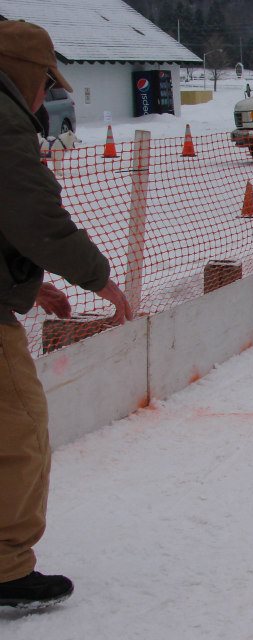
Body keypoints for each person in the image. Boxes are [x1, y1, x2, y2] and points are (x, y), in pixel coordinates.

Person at [0, 20, 133, 609]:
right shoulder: (3, 119)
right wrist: (98, 279)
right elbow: (32, 213)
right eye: (45, 84)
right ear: (28, 72)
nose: (44, 98)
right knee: (19, 433)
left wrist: (28, 288)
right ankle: (5, 568)